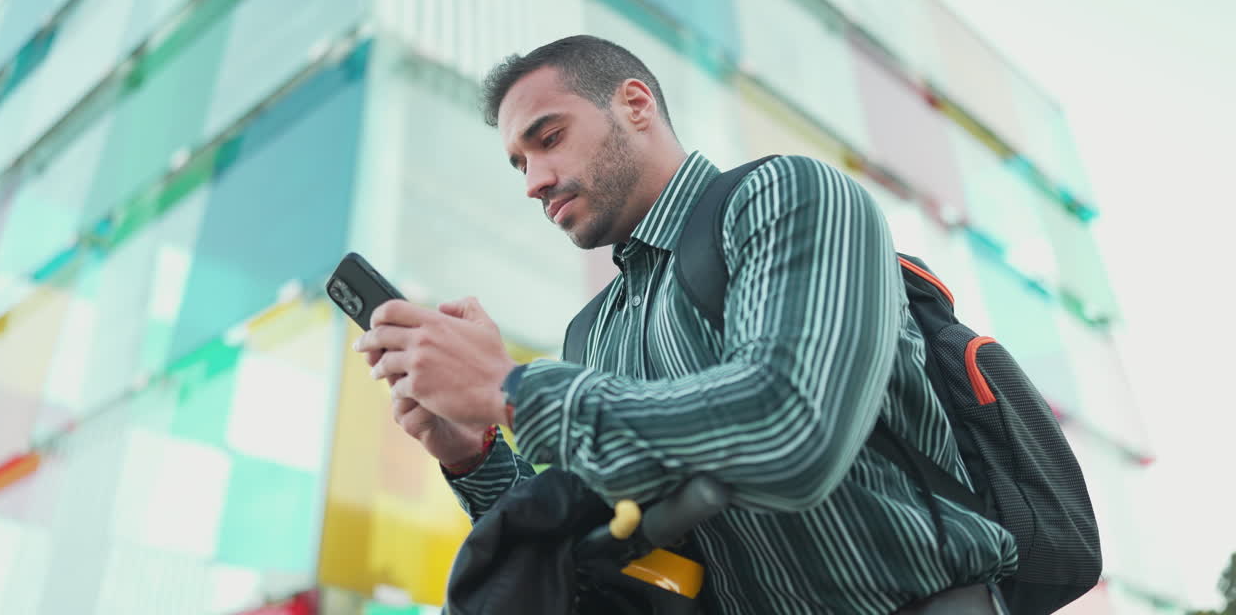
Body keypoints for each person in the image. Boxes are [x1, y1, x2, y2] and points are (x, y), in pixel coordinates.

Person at [352, 35, 1017, 614]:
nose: (533, 181)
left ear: (636, 105)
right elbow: (592, 551)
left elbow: (791, 426)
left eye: (548, 139)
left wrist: (511, 391)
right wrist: (473, 455)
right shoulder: (592, 333)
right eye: (520, 163)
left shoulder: (785, 195)